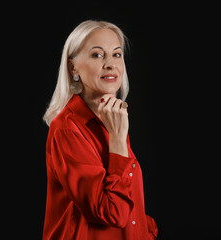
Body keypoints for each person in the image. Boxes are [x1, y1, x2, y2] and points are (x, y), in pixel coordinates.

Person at [42, 20, 158, 240]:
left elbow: (129, 201)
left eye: (116, 55)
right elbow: (110, 213)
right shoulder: (67, 129)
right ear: (73, 67)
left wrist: (146, 231)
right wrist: (117, 139)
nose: (110, 64)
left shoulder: (110, 117)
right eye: (97, 55)